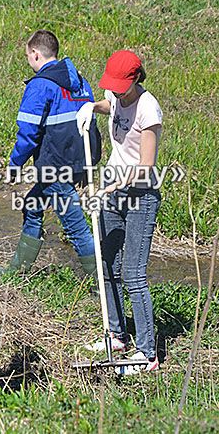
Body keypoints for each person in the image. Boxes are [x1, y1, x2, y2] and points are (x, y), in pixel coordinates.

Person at [76, 50, 162, 374]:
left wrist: (109, 189)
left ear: (136, 78)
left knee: (132, 274)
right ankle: (117, 336)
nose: (116, 91)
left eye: (121, 85)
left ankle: (147, 354)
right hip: (112, 188)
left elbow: (146, 167)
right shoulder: (116, 94)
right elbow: (110, 105)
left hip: (139, 195)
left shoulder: (148, 109)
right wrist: (91, 108)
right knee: (106, 264)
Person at [0, 30, 101, 278]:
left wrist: (15, 165)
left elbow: (28, 133)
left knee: (75, 226)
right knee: (33, 205)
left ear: (35, 53)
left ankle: (101, 283)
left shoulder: (40, 85)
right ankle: (17, 271)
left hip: (55, 165)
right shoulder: (80, 81)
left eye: (27, 55)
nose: (27, 59)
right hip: (79, 162)